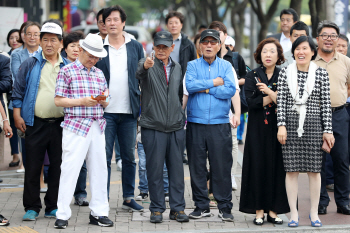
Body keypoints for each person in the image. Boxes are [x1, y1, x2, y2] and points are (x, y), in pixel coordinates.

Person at [54, 33, 113, 229]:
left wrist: (103, 100)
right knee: (69, 170)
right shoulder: (67, 71)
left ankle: (99, 212)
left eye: (97, 57)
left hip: (97, 125)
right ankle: (62, 214)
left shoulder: (98, 73)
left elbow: (106, 98)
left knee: (100, 170)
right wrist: (82, 101)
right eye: (91, 55)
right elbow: (58, 100)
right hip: (75, 126)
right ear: (81, 50)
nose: (94, 60)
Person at [12, 22, 70, 221]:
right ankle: (32, 207)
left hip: (62, 124)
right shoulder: (31, 63)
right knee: (33, 165)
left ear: (61, 43)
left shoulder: (68, 66)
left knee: (57, 165)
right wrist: (17, 115)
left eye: (53, 40)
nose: (48, 44)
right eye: (44, 39)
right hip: (35, 123)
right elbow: (18, 91)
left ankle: (52, 206)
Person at [277, 36, 334, 227]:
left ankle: (313, 213)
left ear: (312, 51)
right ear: (293, 52)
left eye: (304, 48)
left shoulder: (321, 74)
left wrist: (328, 130)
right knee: (291, 170)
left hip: (314, 127)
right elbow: (282, 102)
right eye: (297, 49)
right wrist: (281, 125)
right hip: (290, 127)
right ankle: (293, 213)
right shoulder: (285, 73)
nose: (300, 52)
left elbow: (326, 104)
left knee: (314, 171)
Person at [136, 30, 189, 223]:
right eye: (157, 46)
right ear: (152, 47)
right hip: (153, 126)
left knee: (177, 171)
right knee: (155, 170)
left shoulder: (177, 67)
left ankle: (177, 208)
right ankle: (156, 209)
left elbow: (179, 94)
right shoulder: (147, 64)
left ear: (171, 48)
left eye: (165, 47)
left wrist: (180, 116)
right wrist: (146, 66)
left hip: (175, 126)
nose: (161, 50)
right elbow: (139, 72)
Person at [95, 5, 144, 212]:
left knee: (128, 157)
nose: (112, 23)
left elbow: (142, 73)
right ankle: (102, 198)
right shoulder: (99, 46)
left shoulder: (134, 46)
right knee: (103, 157)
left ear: (123, 22)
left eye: (116, 19)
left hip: (129, 110)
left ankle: (128, 197)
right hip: (104, 112)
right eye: (108, 20)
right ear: (103, 24)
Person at [186, 29, 236, 221]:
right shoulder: (191, 65)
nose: (208, 45)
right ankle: (201, 206)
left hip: (220, 123)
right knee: (197, 167)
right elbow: (190, 86)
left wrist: (205, 88)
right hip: (195, 123)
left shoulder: (225, 66)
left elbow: (230, 89)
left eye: (212, 42)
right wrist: (214, 83)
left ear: (218, 45)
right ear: (199, 45)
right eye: (205, 42)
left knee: (221, 167)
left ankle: (225, 207)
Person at [239, 37, 289, 225]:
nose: (268, 55)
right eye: (265, 51)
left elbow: (287, 101)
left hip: (279, 128)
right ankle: (259, 210)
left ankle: (273, 210)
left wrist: (267, 92)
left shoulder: (283, 75)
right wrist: (274, 96)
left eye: (272, 51)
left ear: (279, 56)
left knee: (277, 168)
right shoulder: (252, 75)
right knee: (257, 167)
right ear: (259, 54)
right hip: (257, 130)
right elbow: (251, 103)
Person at [313, 20, 350, 216]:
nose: (329, 39)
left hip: (339, 114)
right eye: (325, 35)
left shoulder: (346, 61)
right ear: (317, 39)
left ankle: (344, 201)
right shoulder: (309, 61)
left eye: (333, 36)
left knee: (342, 160)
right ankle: (321, 201)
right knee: (318, 161)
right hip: (315, 116)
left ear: (338, 40)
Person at [209, 21, 245, 191]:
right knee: (213, 144)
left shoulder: (235, 57)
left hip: (230, 105)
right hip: (212, 105)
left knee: (231, 142)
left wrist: (232, 82)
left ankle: (230, 175)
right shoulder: (207, 56)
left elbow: (246, 77)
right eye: (213, 33)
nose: (217, 36)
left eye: (220, 33)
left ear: (225, 35)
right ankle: (213, 176)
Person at [61, 31, 90, 207]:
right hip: (62, 118)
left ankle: (80, 193)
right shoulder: (62, 67)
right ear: (65, 49)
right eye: (72, 46)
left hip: (82, 121)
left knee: (82, 159)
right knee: (66, 159)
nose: (76, 49)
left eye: (80, 46)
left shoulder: (90, 68)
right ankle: (62, 196)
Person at [165, 11, 196, 83]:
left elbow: (194, 65)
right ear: (167, 25)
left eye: (176, 23)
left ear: (181, 25)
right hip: (163, 82)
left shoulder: (188, 44)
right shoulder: (161, 43)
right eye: (171, 23)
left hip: (181, 82)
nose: (173, 25)